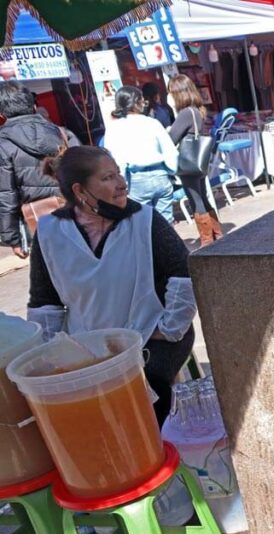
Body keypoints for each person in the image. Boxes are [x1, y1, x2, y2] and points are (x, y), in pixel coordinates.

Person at [27, 146, 195, 425]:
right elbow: (45, 303)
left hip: (149, 337)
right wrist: (51, 359)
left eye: (118, 173)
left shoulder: (144, 220)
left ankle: (160, 453)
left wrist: (167, 327)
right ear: (80, 191)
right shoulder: (50, 233)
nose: (121, 184)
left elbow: (184, 274)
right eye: (108, 178)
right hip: (88, 344)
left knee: (144, 394)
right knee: (78, 407)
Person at [0, 82, 78, 259]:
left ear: (1, 113)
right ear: (34, 105)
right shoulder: (61, 133)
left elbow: (5, 195)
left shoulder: (3, 145)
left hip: (36, 224)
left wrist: (13, 239)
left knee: (53, 273)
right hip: (74, 214)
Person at [102, 86, 178, 224]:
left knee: (143, 226)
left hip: (136, 180)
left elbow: (116, 161)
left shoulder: (114, 128)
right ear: (137, 102)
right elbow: (170, 152)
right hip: (161, 176)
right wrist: (171, 171)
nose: (144, 102)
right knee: (166, 224)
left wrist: (122, 183)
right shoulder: (152, 123)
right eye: (142, 100)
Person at [166, 75, 221, 246]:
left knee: (195, 199)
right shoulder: (197, 110)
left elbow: (172, 138)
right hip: (199, 162)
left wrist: (168, 130)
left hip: (189, 162)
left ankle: (207, 240)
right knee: (203, 197)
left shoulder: (185, 113)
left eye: (170, 91)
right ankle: (217, 234)